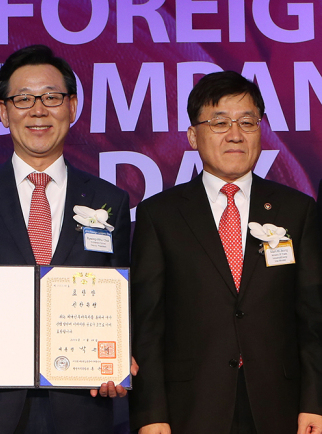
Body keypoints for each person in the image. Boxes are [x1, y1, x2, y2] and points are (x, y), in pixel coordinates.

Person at [0, 44, 133, 434]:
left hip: (80, 405)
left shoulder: (110, 201)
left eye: (52, 97)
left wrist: (121, 356)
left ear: (71, 107)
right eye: (23, 99)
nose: (38, 110)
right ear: (3, 112)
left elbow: (120, 293)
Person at [129, 71, 322, 434]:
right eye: (219, 122)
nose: (235, 134)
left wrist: (315, 403)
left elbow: (313, 320)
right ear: (192, 136)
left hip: (280, 407)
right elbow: (148, 326)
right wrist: (151, 414)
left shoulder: (297, 210)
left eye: (247, 122)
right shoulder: (161, 215)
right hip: (191, 407)